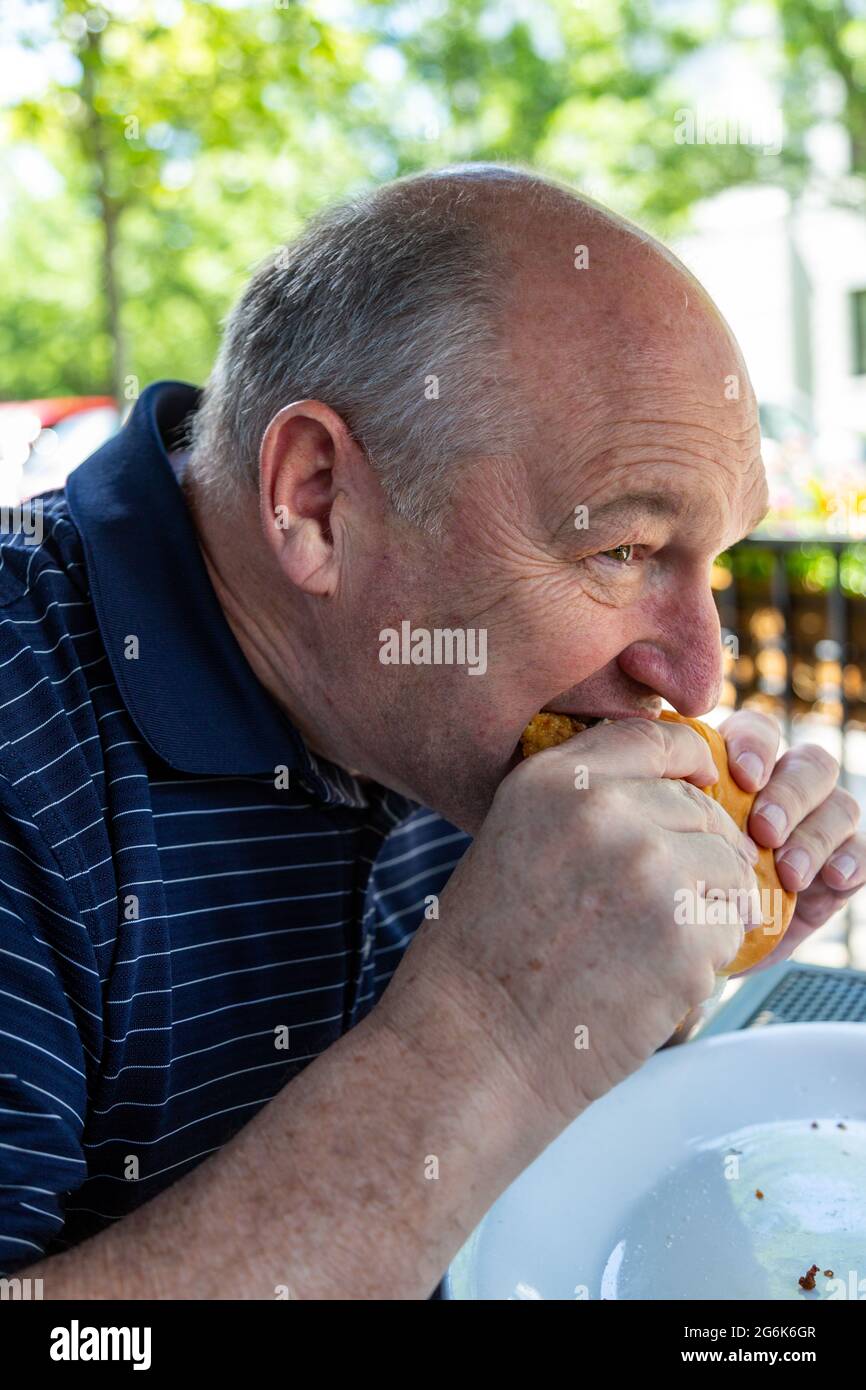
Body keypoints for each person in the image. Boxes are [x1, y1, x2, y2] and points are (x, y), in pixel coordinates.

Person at [1, 165, 862, 1299]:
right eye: (620, 551)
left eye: (715, 561)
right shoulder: (26, 722)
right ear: (316, 501)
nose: (696, 675)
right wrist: (486, 1033)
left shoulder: (439, 714)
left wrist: (659, 961)